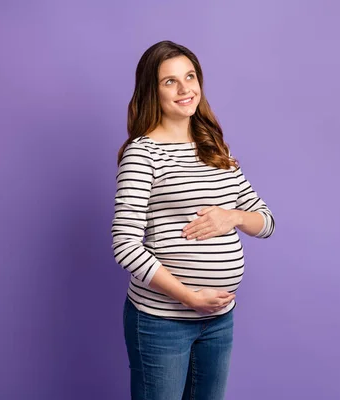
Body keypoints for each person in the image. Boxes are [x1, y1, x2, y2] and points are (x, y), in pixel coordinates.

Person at [111, 40, 275, 400]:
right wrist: (188, 296)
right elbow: (124, 245)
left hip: (219, 319)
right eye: (170, 81)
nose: (185, 89)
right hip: (162, 320)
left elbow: (265, 221)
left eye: (190, 76)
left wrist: (231, 216)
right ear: (151, 91)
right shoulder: (143, 153)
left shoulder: (215, 147)